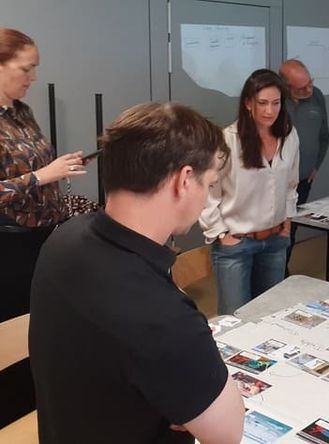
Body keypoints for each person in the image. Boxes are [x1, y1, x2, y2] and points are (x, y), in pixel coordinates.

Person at [29, 102, 245, 444]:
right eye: (209, 183)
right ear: (184, 180)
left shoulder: (64, 240)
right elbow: (227, 432)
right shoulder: (161, 315)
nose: (206, 198)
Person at [0, 28, 86, 323]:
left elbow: (36, 167)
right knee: (16, 328)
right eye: (26, 68)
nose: (33, 77)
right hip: (11, 247)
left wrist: (59, 167)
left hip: (46, 235)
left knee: (46, 320)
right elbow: (35, 176)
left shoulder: (22, 112)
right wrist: (41, 176)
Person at [200, 69, 299, 315]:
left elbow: (290, 184)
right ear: (247, 104)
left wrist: (287, 220)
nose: (269, 111)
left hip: (275, 241)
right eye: (262, 103)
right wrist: (220, 233)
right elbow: (207, 192)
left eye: (276, 103)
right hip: (237, 244)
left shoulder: (289, 136)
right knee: (235, 320)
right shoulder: (227, 140)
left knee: (270, 316)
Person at [278, 59, 329, 271]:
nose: (309, 89)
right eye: (302, 88)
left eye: (310, 83)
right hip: (277, 179)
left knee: (292, 227)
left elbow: (325, 135)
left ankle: (282, 269)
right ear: (285, 87)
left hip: (304, 178)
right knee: (275, 229)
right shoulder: (275, 101)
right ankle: (273, 273)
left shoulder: (316, 96)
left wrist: (316, 165)